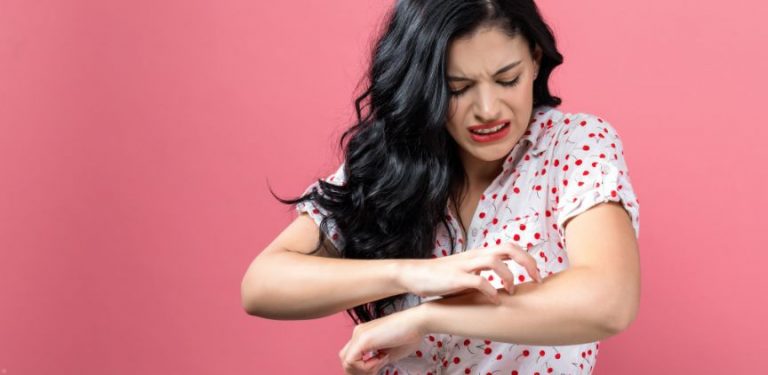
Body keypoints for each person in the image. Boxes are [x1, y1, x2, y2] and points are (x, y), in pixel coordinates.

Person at [241, 0, 641, 374]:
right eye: (457, 88)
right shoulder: (394, 163)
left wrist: (426, 317)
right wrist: (414, 275)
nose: (488, 109)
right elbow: (262, 285)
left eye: (507, 78)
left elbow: (608, 300)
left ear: (535, 60)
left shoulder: (572, 146)